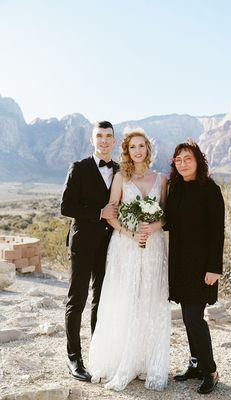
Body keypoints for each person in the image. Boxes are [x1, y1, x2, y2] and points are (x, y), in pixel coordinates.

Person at [88, 129, 171, 391]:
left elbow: (167, 214)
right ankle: (119, 360)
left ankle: (145, 361)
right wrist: (131, 233)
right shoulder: (120, 177)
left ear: (148, 149)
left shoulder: (162, 178)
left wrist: (154, 227)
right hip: (126, 245)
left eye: (141, 146)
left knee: (149, 298)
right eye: (133, 146)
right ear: (127, 150)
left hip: (154, 246)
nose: (137, 151)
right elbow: (111, 213)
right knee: (125, 298)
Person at [165, 139, 225, 395]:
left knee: (193, 317)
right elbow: (169, 222)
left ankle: (210, 370)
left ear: (198, 161)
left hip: (202, 265)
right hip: (180, 263)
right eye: (178, 160)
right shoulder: (176, 188)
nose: (182, 163)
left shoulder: (210, 190)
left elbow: (217, 232)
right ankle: (195, 364)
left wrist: (214, 267)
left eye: (187, 158)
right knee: (188, 320)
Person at [61, 121, 119, 381]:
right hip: (83, 243)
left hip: (109, 245)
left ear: (114, 141)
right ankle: (74, 359)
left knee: (101, 300)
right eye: (100, 136)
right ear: (92, 140)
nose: (104, 140)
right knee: (77, 300)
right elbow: (66, 207)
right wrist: (99, 213)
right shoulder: (79, 168)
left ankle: (98, 355)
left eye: (109, 136)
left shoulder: (120, 170)